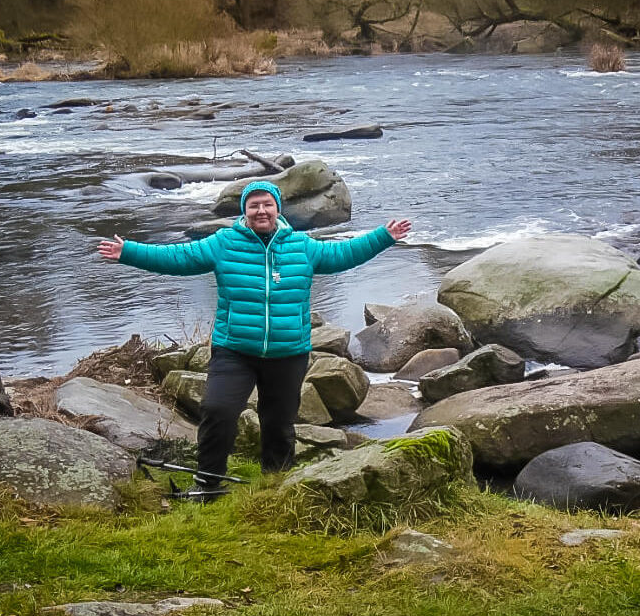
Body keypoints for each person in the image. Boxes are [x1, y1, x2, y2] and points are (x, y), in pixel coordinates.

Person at [97, 180, 411, 493]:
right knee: (218, 410)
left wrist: (383, 237)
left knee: (279, 425)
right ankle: (208, 484)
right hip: (234, 350)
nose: (261, 211)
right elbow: (178, 258)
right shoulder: (224, 243)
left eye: (267, 205)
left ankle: (275, 486)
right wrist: (129, 252)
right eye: (254, 205)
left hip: (288, 353)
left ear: (277, 209)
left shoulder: (302, 247)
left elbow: (344, 253)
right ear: (245, 211)